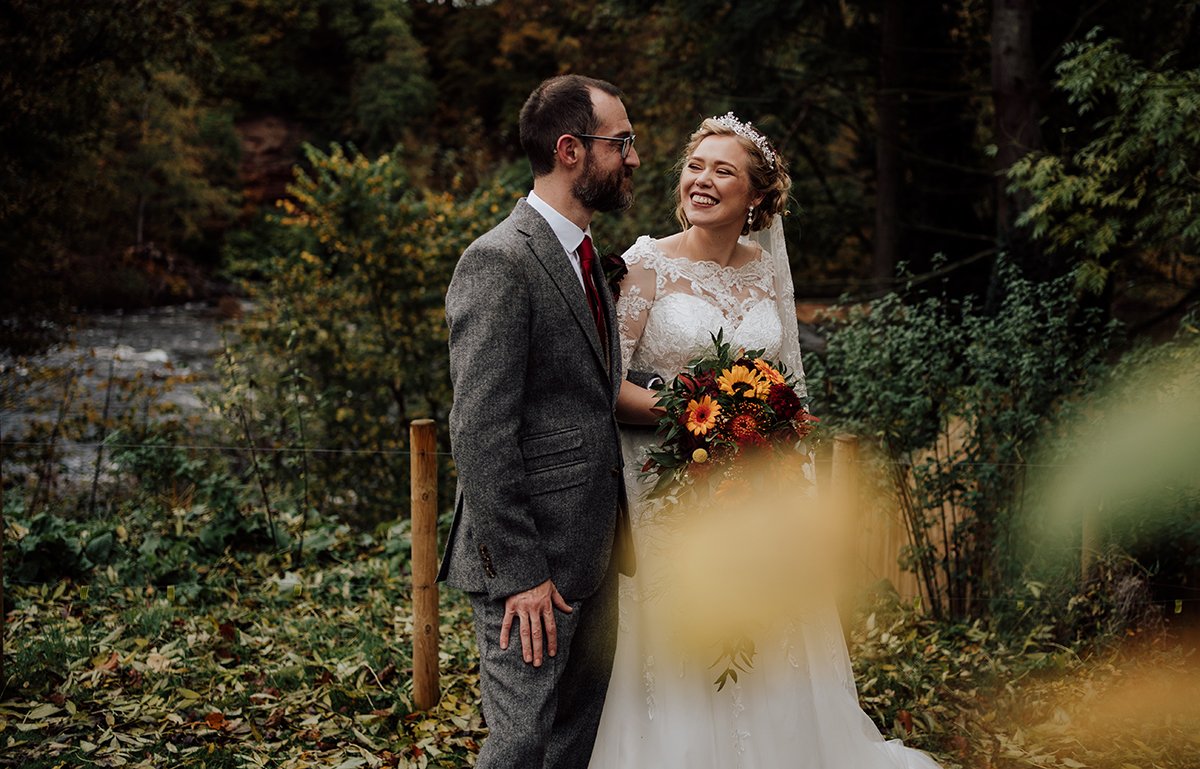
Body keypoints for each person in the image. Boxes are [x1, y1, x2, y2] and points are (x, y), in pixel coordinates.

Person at [587, 114, 943, 769]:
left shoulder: (765, 271)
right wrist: (700, 411)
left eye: (723, 170)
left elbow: (789, 388)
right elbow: (606, 387)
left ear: (757, 196)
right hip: (672, 488)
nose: (702, 180)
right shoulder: (644, 264)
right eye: (696, 166)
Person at [440, 74, 639, 769]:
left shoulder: (587, 258)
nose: (635, 158)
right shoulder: (499, 260)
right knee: (519, 744)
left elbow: (590, 396)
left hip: (593, 550)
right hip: (528, 567)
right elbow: (479, 431)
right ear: (570, 150)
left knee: (573, 742)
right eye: (623, 142)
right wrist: (521, 573)